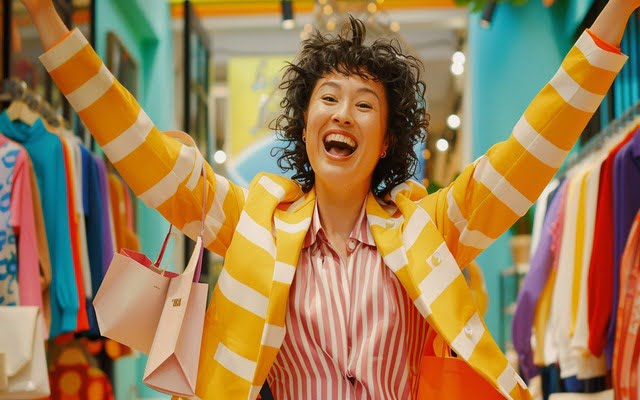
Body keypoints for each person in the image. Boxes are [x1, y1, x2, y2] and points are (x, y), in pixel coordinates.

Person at [18, 0, 639, 399]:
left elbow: (531, 151)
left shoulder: (430, 228)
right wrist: (47, 18)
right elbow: (141, 150)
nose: (344, 112)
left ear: (386, 138)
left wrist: (614, 14)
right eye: (329, 97)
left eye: (365, 103)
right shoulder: (252, 224)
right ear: (305, 120)